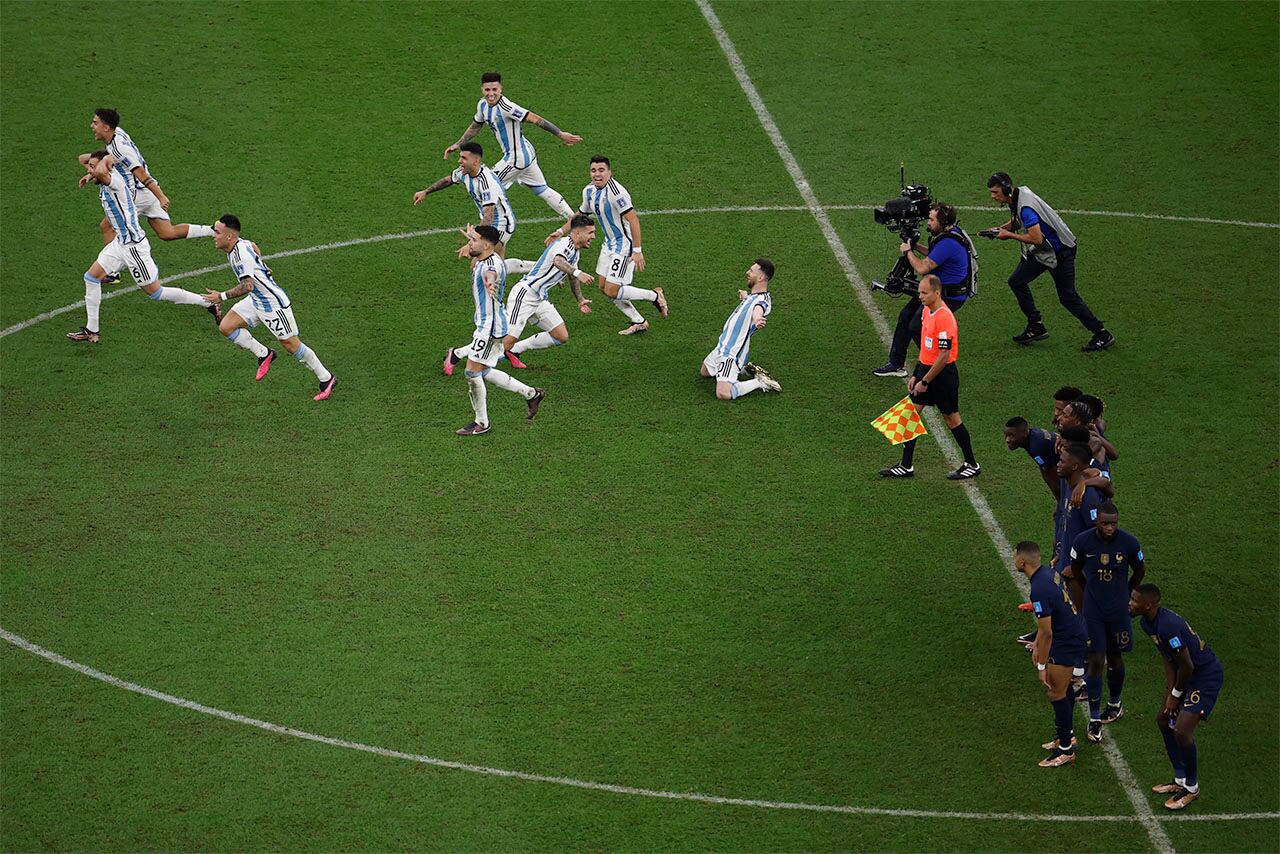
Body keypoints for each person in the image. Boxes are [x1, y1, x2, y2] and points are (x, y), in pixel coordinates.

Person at [67, 150, 219, 343]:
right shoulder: (102, 176)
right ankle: (92, 330)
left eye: (93, 167)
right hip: (119, 244)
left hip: (133, 248)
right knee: (91, 277)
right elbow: (82, 158)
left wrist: (107, 159)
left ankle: (207, 303)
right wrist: (93, 169)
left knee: (155, 292)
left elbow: (102, 170)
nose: (89, 169)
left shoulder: (115, 182)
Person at [201, 214, 336, 401]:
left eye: (217, 232)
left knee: (291, 344)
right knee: (226, 326)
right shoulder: (239, 244)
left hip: (272, 304)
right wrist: (262, 265)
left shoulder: (240, 256)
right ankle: (264, 354)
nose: (213, 235)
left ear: (229, 236)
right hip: (256, 300)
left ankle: (326, 378)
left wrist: (221, 296)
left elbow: (247, 285)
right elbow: (254, 245)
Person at [986, 172, 1114, 352]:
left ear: (1006, 189)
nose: (993, 196)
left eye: (995, 192)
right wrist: (1002, 228)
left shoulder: (1025, 207)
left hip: (1059, 252)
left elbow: (1036, 238)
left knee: (1068, 297)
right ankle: (1036, 325)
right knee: (1016, 281)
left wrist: (1008, 235)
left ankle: (1102, 333)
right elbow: (1021, 222)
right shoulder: (1017, 196)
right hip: (1045, 250)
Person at [1130, 584, 1224, 810]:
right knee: (1164, 718)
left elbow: (1188, 666)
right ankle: (1180, 778)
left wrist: (1176, 695)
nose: (1129, 603)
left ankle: (1192, 787)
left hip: (1204, 676)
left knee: (1182, 730)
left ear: (1148, 605)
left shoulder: (1168, 627)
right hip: (1185, 674)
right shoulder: (1147, 622)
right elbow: (1168, 659)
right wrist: (1170, 693)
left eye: (1134, 600)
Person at [548, 156, 666, 335]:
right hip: (608, 244)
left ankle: (655, 296)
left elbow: (633, 219)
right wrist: (560, 231)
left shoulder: (617, 192)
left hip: (624, 245)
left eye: (601, 170)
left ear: (609, 172)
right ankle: (639, 321)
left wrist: (637, 251)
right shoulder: (589, 191)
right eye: (593, 170)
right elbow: (579, 215)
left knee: (612, 289)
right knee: (603, 287)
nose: (597, 174)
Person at [879, 275, 979, 480]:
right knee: (910, 413)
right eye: (920, 292)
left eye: (924, 293)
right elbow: (926, 349)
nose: (920, 296)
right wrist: (917, 374)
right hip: (926, 370)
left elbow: (943, 356)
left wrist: (925, 381)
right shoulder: (926, 311)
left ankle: (971, 463)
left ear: (937, 292)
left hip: (942, 376)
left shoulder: (945, 318)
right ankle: (906, 465)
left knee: (951, 418)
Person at [443, 72, 581, 219]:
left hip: (516, 159)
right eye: (487, 90)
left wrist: (560, 134)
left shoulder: (506, 107)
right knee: (542, 189)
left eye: (494, 90)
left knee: (486, 187)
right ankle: (576, 221)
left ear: (501, 89)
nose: (491, 94)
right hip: (526, 152)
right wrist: (458, 144)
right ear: (482, 89)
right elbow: (476, 126)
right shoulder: (482, 105)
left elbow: (535, 119)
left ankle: (486, 235)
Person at [451, 225, 545, 436]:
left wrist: (490, 283)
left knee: (472, 371)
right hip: (491, 323)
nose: (469, 243)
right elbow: (481, 261)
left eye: (474, 240)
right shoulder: (485, 258)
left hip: (490, 328)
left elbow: (491, 274)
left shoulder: (490, 266)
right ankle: (531, 394)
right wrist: (471, 243)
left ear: (486, 245)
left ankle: (481, 423)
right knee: (483, 370)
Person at [82, 109, 215, 254]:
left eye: (95, 123)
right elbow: (113, 158)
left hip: (136, 195)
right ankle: (213, 230)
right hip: (146, 193)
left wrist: (161, 196)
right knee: (167, 232)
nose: (92, 126)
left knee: (107, 227)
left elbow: (141, 174)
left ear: (106, 127)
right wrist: (92, 174)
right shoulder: (117, 133)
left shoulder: (120, 149)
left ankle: (110, 274)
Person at [1069, 501, 1146, 743]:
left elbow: (1140, 569)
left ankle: (1114, 704)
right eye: (1105, 523)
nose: (1110, 528)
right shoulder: (1082, 541)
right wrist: (1087, 589)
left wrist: (1127, 591)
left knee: (1115, 657)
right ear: (1097, 522)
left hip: (1118, 612)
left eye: (1113, 523)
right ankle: (1094, 719)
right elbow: (1075, 568)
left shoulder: (1130, 543)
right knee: (1095, 660)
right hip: (1094, 612)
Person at [873, 203, 976, 377]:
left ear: (942, 222)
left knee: (915, 326)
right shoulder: (949, 234)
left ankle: (939, 366)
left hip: (948, 296)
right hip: (939, 291)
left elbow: (922, 268)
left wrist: (908, 252)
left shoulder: (948, 243)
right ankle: (896, 364)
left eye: (931, 219)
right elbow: (934, 254)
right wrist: (915, 246)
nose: (928, 222)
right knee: (906, 317)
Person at [1015, 540, 1088, 767]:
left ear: (1022, 561)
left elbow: (1047, 632)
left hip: (1065, 640)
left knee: (1056, 693)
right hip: (1072, 632)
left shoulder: (1038, 589)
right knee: (1063, 688)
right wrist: (1037, 643)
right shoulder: (1049, 573)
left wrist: (1041, 666)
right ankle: (1066, 736)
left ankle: (1066, 750)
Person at [501, 214, 596, 365]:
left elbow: (571, 276)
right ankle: (460, 354)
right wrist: (578, 272)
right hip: (525, 295)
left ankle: (515, 350)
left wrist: (580, 300)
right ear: (578, 233)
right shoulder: (565, 246)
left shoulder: (574, 251)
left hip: (539, 298)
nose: (594, 237)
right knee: (506, 341)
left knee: (561, 335)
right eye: (590, 233)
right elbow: (558, 261)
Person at [414, 142, 518, 259]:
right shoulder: (464, 172)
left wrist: (472, 243)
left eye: (464, 158)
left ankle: (535, 272)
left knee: (480, 262)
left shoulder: (487, 183)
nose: (459, 161)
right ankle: (530, 268)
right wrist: (425, 192)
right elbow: (449, 180)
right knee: (496, 264)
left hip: (501, 225)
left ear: (476, 161)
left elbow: (489, 217)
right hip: (488, 221)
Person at [699, 259, 780, 399]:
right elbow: (752, 304)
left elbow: (758, 309)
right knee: (704, 372)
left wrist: (757, 318)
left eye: (751, 271)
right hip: (721, 347)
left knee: (723, 393)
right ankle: (742, 368)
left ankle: (760, 382)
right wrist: (745, 298)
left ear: (761, 277)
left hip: (731, 352)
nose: (747, 273)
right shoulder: (754, 296)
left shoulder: (763, 301)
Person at [1004, 416, 1059, 498]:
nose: (1007, 440)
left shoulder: (1036, 446)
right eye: (1006, 435)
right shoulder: (1032, 437)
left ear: (1024, 433)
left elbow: (1054, 478)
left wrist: (1060, 504)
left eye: (1011, 435)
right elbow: (1044, 470)